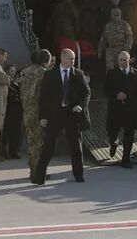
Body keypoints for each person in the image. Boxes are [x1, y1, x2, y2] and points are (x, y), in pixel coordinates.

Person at [32, 49, 91, 185]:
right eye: (70, 58)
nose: (72, 61)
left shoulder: (78, 74)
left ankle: (78, 175)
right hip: (55, 114)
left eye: (74, 58)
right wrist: (43, 116)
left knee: (76, 147)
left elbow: (87, 92)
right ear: (62, 58)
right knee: (48, 146)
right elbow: (43, 97)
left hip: (72, 114)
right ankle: (39, 177)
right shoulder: (50, 74)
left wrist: (81, 106)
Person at [104, 51, 137, 168]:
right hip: (115, 110)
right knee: (112, 132)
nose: (122, 62)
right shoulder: (112, 73)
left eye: (125, 60)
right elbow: (106, 90)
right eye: (120, 60)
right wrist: (116, 94)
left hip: (131, 110)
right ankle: (114, 143)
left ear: (129, 60)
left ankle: (126, 159)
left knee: (129, 135)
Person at [19, 49, 52, 181]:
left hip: (27, 111)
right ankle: (37, 172)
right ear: (47, 60)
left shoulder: (25, 72)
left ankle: (33, 169)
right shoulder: (45, 73)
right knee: (40, 143)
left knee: (32, 141)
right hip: (39, 112)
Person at [97, 7, 134, 71]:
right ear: (111, 16)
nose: (116, 17)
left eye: (118, 15)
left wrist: (126, 50)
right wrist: (99, 51)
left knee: (121, 69)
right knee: (110, 69)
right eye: (114, 15)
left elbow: (129, 38)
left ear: (120, 15)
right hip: (111, 50)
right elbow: (103, 39)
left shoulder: (125, 25)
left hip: (121, 49)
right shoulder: (108, 26)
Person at [1, 64, 23, 160]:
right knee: (6, 132)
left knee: (16, 131)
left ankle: (13, 151)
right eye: (11, 71)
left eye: (14, 71)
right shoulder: (6, 81)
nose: (13, 73)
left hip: (17, 109)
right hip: (8, 108)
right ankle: (3, 151)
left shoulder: (16, 82)